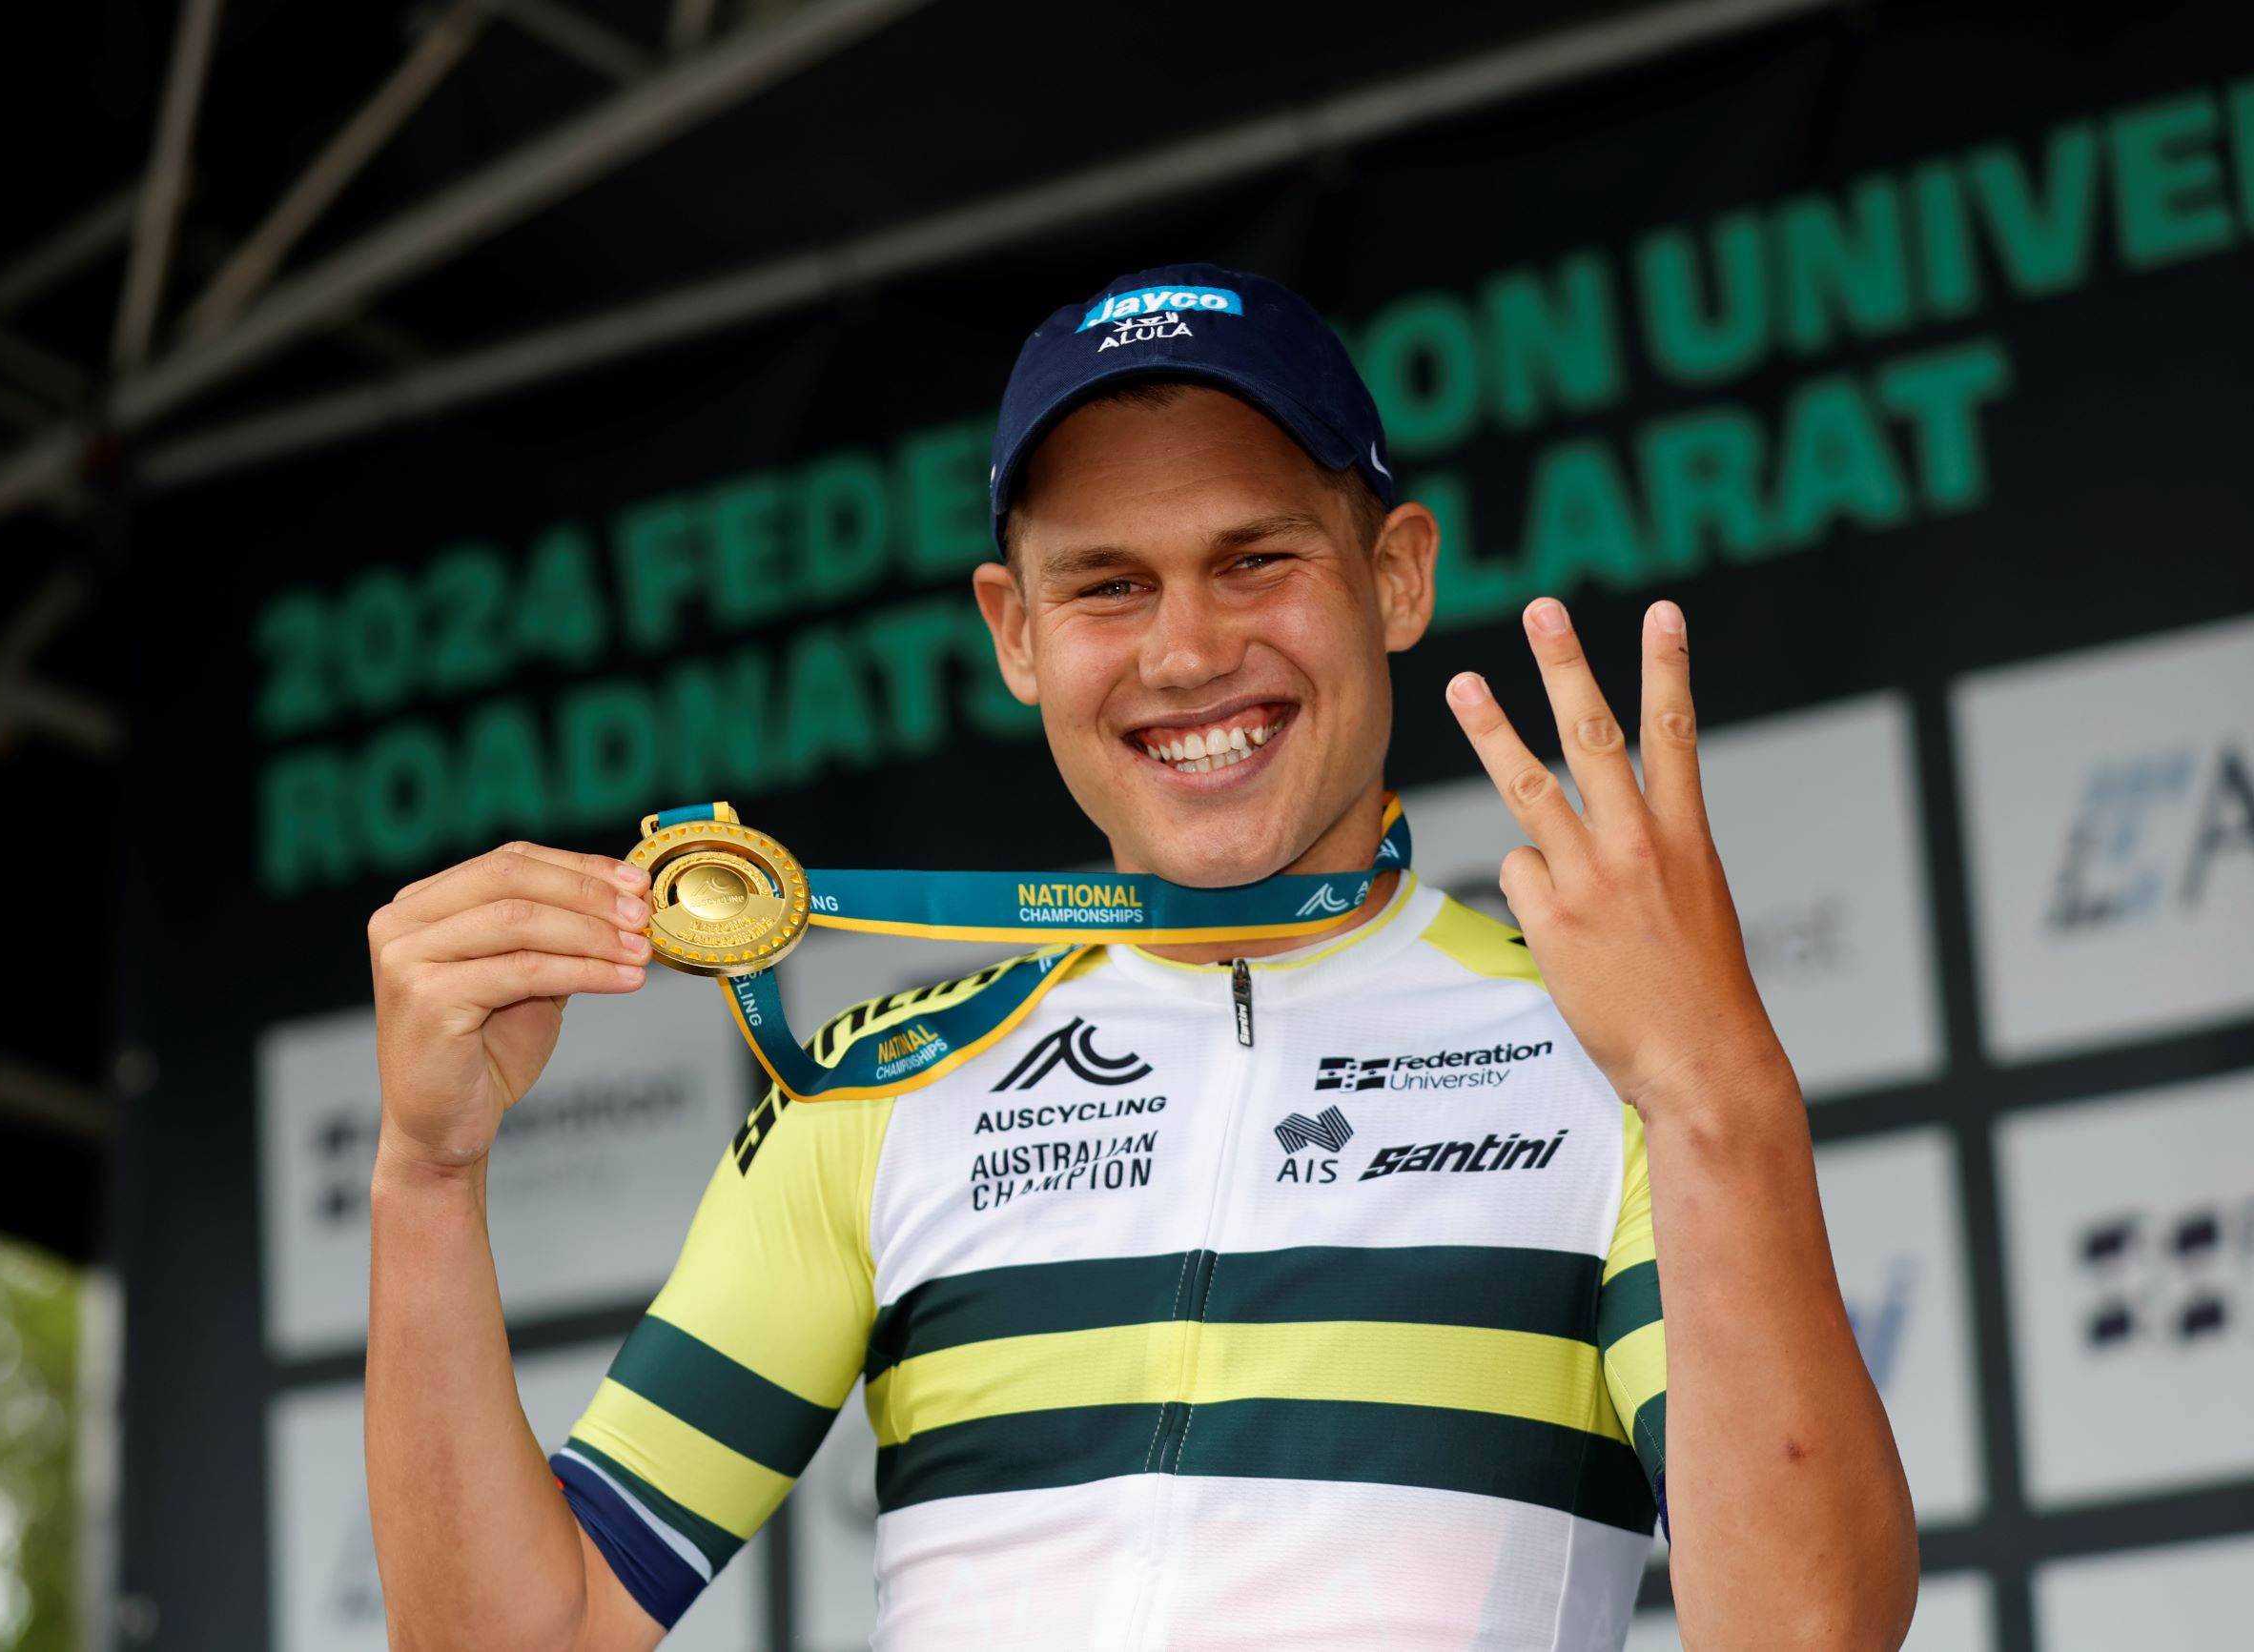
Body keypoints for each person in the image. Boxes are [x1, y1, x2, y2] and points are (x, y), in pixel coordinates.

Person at [363, 263, 1917, 1650]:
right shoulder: (879, 1085)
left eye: (1256, 560)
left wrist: (1719, 1092)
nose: (1186, 651)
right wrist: (427, 1176)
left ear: (1395, 574)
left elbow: (1811, 1628)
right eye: (1109, 584)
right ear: (1015, 629)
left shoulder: (1612, 1049)